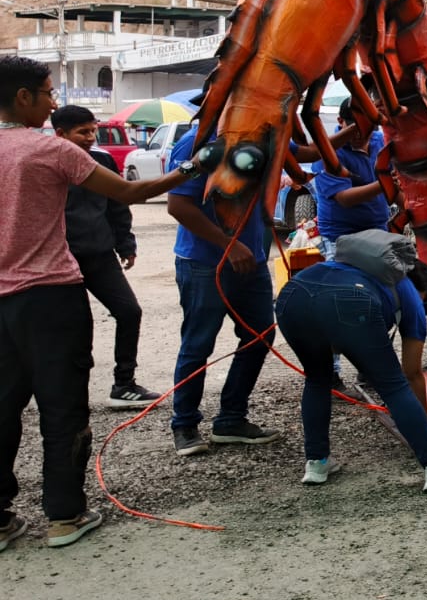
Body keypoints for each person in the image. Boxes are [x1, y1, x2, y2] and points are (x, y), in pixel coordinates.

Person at [0, 57, 197, 550]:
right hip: (50, 297)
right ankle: (65, 515)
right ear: (22, 97)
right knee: (62, 405)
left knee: (2, 406)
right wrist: (194, 167)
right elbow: (132, 191)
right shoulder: (50, 150)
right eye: (48, 93)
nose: (53, 103)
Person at [274, 235, 427, 493]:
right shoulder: (410, 293)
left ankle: (317, 462)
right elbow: (411, 373)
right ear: (422, 291)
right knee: (393, 386)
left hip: (293, 295)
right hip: (349, 301)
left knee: (317, 379)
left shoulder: (359, 270)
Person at [167, 123, 279, 457]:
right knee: (198, 343)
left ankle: (231, 418)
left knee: (260, 335)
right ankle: (184, 424)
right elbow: (178, 204)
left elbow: (305, 153)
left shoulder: (262, 135)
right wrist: (228, 245)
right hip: (205, 263)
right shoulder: (197, 143)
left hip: (251, 260)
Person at [49, 106, 159, 409]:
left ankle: (124, 384)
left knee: (129, 312)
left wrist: (126, 244)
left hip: (100, 255)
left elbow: (118, 204)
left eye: (92, 131)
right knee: (76, 328)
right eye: (82, 132)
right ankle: (69, 398)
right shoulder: (47, 165)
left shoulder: (102, 161)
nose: (90, 137)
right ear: (60, 134)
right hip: (62, 261)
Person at [312, 100, 389, 254]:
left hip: (379, 232)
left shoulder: (381, 141)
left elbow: (396, 186)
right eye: (354, 129)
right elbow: (344, 198)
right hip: (341, 237)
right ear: (340, 121)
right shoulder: (328, 153)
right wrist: (384, 184)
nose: (360, 135)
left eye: (366, 129)